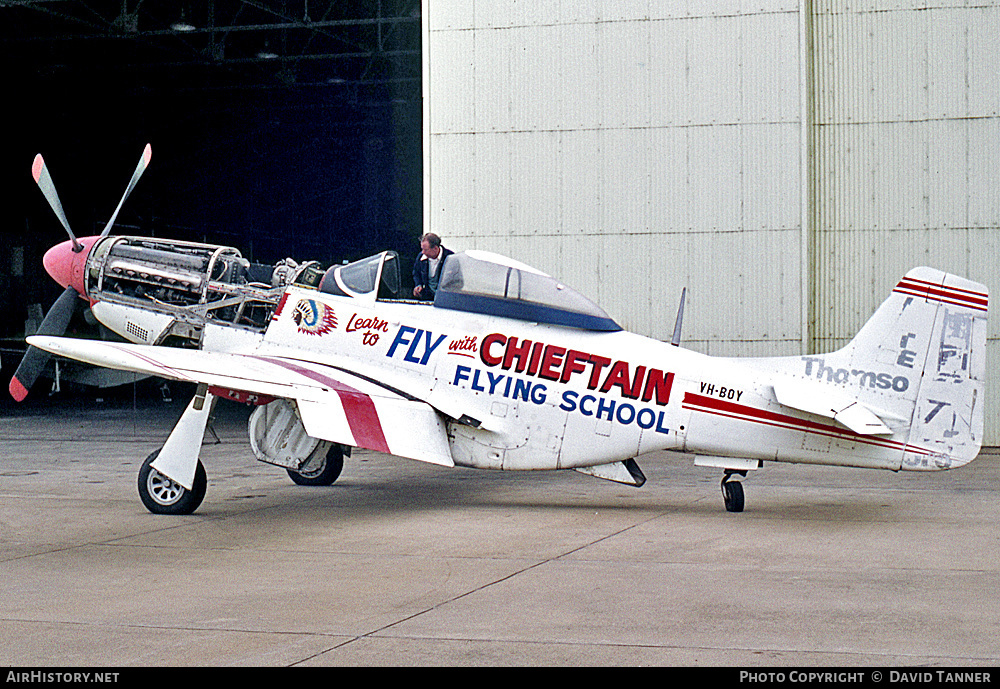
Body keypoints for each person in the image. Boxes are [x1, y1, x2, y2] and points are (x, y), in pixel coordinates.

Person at [412, 233, 453, 300]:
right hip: (427, 298)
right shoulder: (421, 257)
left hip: (445, 299)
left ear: (435, 248)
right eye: (422, 249)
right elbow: (416, 272)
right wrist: (418, 284)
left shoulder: (450, 258)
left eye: (425, 249)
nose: (423, 252)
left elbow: (458, 280)